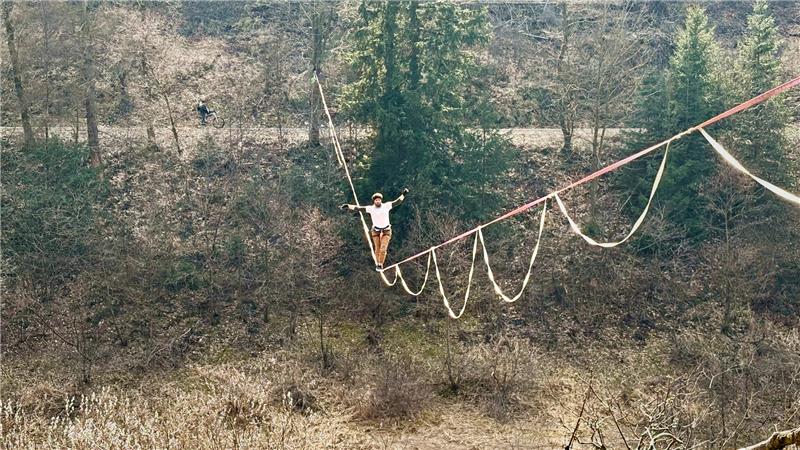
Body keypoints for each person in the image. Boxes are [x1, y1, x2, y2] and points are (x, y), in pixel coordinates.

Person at [341, 188, 409, 271]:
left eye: (379, 200)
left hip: (386, 230)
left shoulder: (386, 206)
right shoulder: (371, 208)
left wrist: (404, 194)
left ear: (381, 200)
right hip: (376, 231)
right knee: (377, 248)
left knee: (383, 248)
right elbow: (358, 208)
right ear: (374, 201)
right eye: (376, 200)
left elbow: (397, 202)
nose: (377, 201)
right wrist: (348, 206)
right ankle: (378, 264)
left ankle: (380, 264)